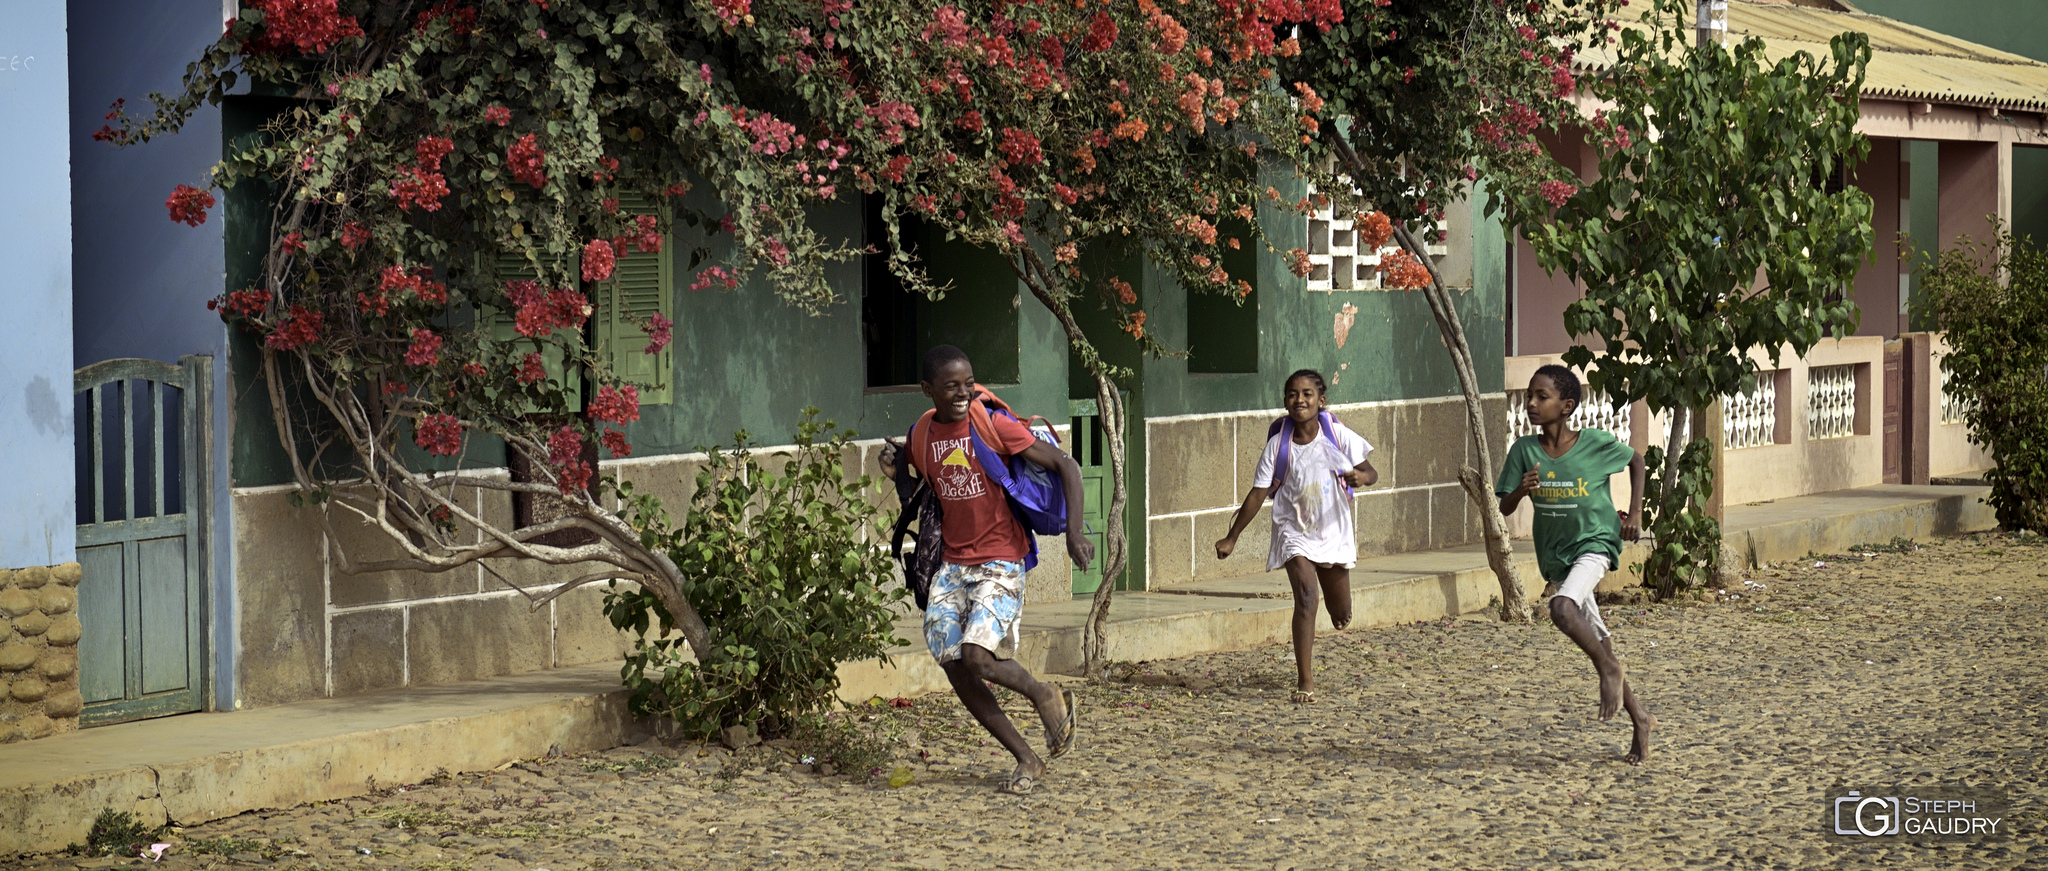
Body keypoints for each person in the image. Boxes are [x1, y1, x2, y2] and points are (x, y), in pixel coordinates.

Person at [879, 345, 1094, 794]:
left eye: (969, 383)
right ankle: (1027, 758)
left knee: (979, 656)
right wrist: (898, 470)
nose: (963, 393)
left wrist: (1075, 532)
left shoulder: (992, 422)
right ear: (928, 390)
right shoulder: (921, 433)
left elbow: (1066, 465)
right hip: (953, 565)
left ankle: (1042, 694)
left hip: (1000, 558)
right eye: (951, 386)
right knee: (955, 663)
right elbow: (918, 489)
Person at [1496, 364, 1657, 765]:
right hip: (1558, 558)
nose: (1531, 403)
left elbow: (1636, 461)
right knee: (1598, 640)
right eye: (1529, 396)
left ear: (1566, 406)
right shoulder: (1524, 451)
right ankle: (1640, 718)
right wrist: (1521, 489)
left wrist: (1634, 514)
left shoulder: (1595, 444)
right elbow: (1503, 506)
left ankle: (1608, 673)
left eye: (1542, 397)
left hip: (1595, 545)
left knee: (1562, 609)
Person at [1214, 369, 1378, 704]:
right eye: (1292, 394)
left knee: (1340, 611)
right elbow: (1258, 494)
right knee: (1306, 596)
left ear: (1321, 400)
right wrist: (1232, 537)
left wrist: (1361, 477)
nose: (1299, 400)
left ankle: (1340, 610)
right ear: (1285, 400)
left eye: (1306, 393)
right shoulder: (1279, 445)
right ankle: (1305, 680)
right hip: (1294, 532)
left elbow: (1371, 471)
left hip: (1332, 531)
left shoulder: (1338, 435)